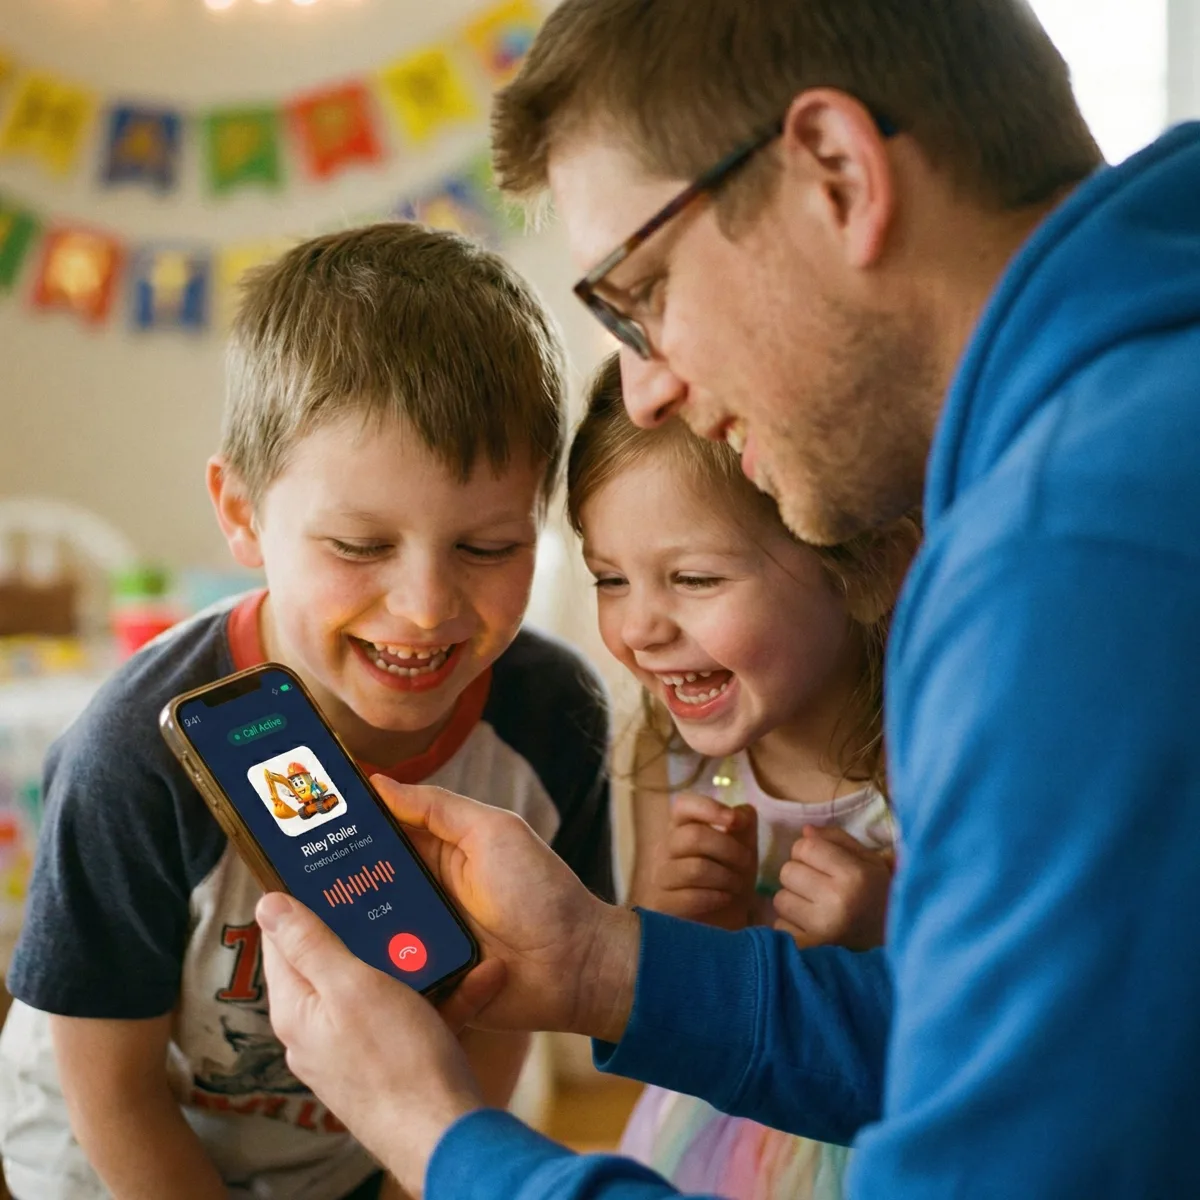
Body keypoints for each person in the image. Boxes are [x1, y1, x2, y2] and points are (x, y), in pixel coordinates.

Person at [255, 0, 1200, 1197]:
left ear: (838, 175)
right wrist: (605, 964)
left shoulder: (1078, 553)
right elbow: (1023, 1065)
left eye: (643, 290)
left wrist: (441, 1136)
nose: (643, 388)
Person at [0, 223, 614, 1200]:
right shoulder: (133, 752)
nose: (425, 606)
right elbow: (108, 1092)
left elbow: (501, 1028)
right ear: (241, 514)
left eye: (490, 547)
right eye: (361, 546)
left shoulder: (552, 724)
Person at [571, 356, 915, 1198]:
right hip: (709, 1143)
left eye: (693, 579)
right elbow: (650, 968)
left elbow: (981, 1005)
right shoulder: (675, 752)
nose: (641, 626)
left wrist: (880, 928)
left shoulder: (923, 757)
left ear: (865, 572)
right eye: (609, 580)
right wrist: (694, 923)